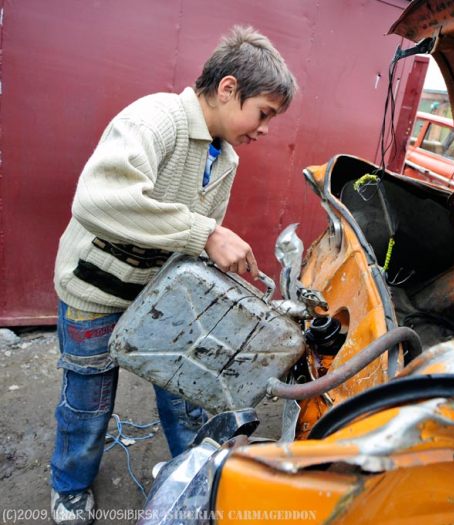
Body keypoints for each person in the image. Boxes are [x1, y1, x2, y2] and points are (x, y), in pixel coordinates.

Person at [49, 26, 296, 525]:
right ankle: (69, 488)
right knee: (88, 402)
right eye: (264, 113)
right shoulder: (153, 119)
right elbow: (98, 199)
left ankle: (196, 478)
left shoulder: (224, 157)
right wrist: (205, 233)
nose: (266, 128)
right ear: (229, 89)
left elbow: (187, 242)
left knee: (188, 392)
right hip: (94, 291)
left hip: (157, 296)